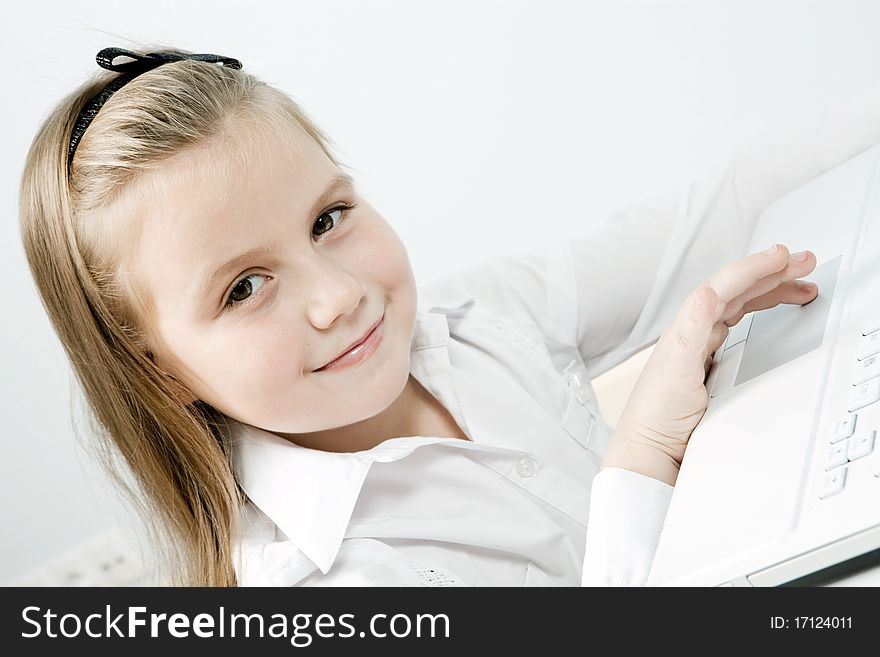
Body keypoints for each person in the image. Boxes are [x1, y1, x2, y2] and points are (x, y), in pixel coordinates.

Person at [18, 44, 880, 587]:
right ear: (157, 369)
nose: (338, 295)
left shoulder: (470, 319)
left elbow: (719, 210)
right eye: (244, 287)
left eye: (328, 218)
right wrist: (643, 455)